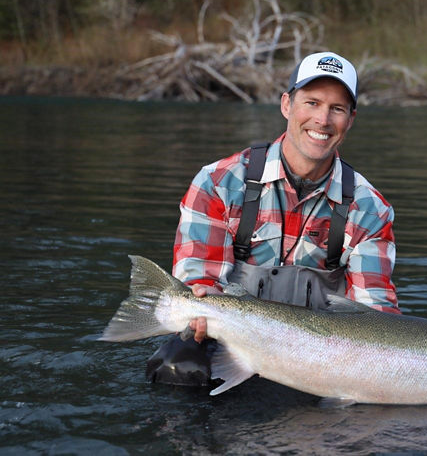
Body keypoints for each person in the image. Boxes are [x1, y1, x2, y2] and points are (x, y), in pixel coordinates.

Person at [147, 51, 400, 385]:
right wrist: (197, 309)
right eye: (311, 102)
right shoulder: (219, 182)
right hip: (232, 340)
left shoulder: (370, 209)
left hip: (320, 359)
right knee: (176, 364)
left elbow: (377, 317)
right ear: (286, 105)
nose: (322, 120)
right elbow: (200, 283)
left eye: (336, 108)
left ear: (350, 120)